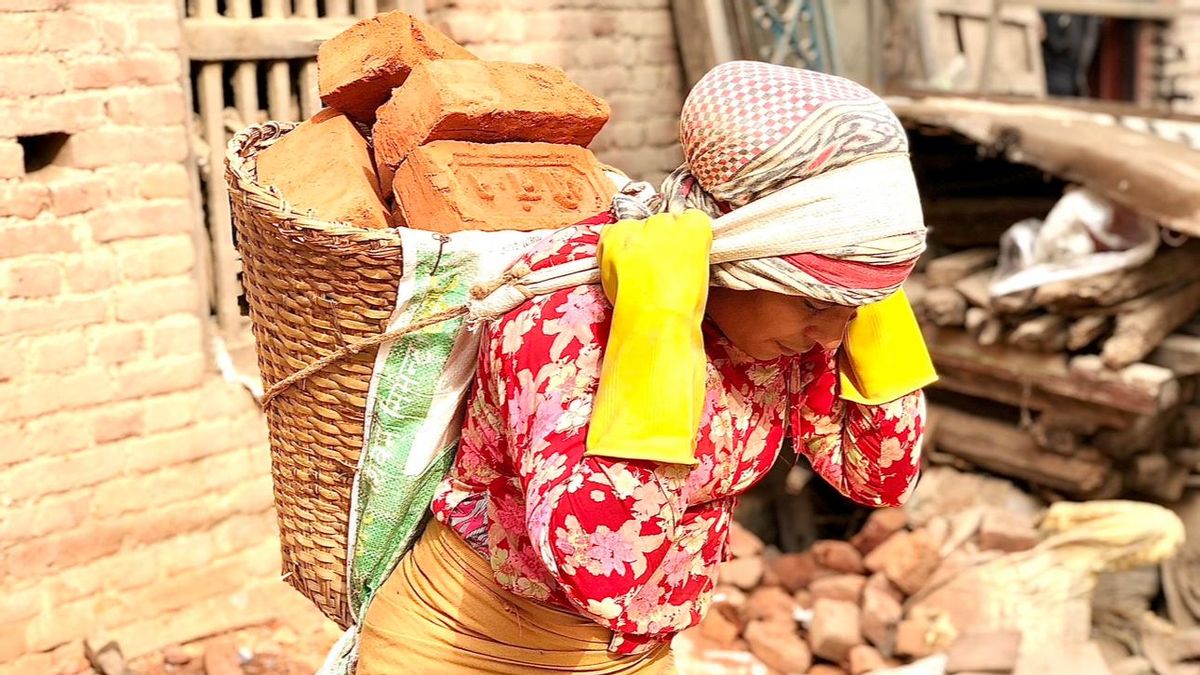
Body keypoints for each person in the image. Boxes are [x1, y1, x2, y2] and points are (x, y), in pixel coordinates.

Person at [356, 62, 930, 674]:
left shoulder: (786, 338)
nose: (831, 336)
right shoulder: (571, 315)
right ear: (734, 259)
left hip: (634, 656)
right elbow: (598, 567)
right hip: (465, 648)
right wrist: (657, 334)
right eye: (817, 303)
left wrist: (870, 298)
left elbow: (880, 480)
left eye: (853, 308)